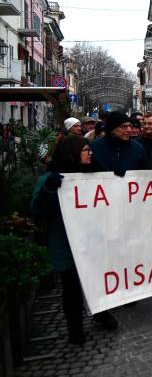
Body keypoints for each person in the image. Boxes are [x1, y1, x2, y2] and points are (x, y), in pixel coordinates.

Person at [31, 136, 119, 344]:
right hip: (66, 243)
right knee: (71, 288)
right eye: (86, 150)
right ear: (71, 154)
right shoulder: (50, 179)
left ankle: (101, 313)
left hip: (94, 241)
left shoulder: (93, 176)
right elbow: (37, 209)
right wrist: (49, 189)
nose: (90, 153)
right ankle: (75, 328)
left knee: (97, 282)